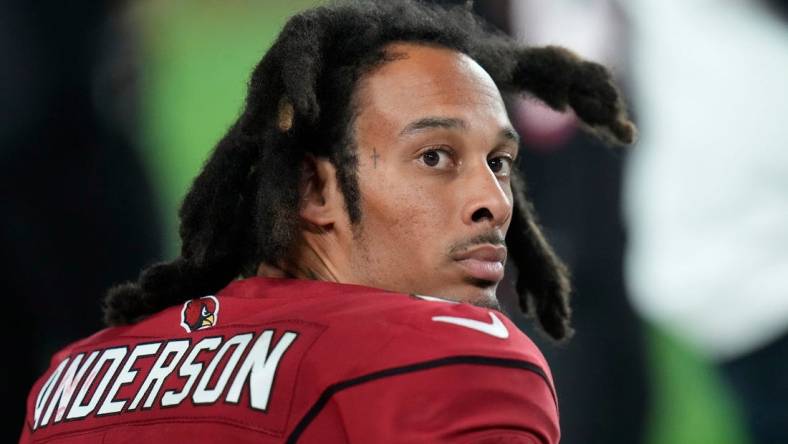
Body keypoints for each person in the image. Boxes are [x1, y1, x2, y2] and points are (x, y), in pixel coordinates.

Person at [19, 1, 635, 443]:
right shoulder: (462, 366)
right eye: (434, 158)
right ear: (317, 188)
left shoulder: (70, 381)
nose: (494, 204)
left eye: (499, 162)